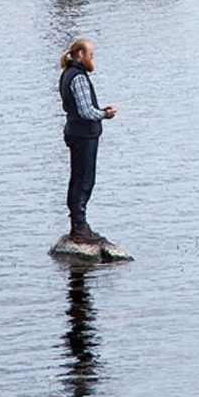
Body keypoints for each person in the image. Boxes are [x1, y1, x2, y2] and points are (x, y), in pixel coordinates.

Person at [59, 37, 117, 244]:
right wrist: (105, 114)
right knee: (84, 180)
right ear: (81, 55)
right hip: (84, 134)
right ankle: (80, 226)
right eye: (91, 54)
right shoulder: (79, 78)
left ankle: (78, 225)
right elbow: (85, 111)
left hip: (74, 132)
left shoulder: (67, 74)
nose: (93, 58)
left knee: (77, 179)